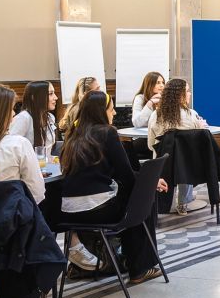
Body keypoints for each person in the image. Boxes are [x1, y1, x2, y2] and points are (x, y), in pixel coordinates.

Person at [52, 91, 163, 285]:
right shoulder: (107, 132)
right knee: (140, 201)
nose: (113, 114)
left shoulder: (72, 134)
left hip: (68, 213)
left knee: (132, 198)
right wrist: (149, 183)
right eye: (111, 109)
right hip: (97, 209)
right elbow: (125, 175)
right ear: (102, 112)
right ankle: (140, 267)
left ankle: (121, 261)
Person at [147, 77, 208, 212]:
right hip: (186, 167)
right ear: (180, 96)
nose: (190, 94)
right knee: (186, 158)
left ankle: (162, 204)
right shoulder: (192, 115)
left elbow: (151, 145)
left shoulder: (156, 115)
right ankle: (183, 203)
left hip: (162, 165)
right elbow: (200, 140)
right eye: (187, 91)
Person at [9, 80, 58, 152]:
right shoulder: (23, 118)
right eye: (50, 94)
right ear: (34, 97)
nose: (56, 97)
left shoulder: (50, 117)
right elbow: (12, 147)